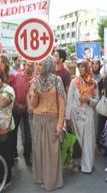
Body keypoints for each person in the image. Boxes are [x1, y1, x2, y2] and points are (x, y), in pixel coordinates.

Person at [29, 56, 65, 191]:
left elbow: (62, 104)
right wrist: (33, 94)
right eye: (36, 64)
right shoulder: (35, 81)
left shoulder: (57, 80)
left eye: (41, 64)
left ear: (48, 65)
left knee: (52, 152)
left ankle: (53, 181)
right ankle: (42, 178)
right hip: (38, 119)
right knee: (39, 150)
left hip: (52, 119)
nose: (37, 67)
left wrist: (60, 123)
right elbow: (33, 105)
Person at [66, 60, 99, 174]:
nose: (80, 69)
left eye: (83, 67)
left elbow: (97, 101)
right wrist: (67, 117)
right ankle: (76, 163)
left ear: (87, 68)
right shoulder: (74, 82)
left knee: (88, 141)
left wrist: (89, 100)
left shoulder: (93, 83)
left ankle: (87, 166)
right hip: (75, 116)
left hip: (88, 115)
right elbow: (69, 100)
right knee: (77, 141)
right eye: (79, 67)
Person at [11, 62, 34, 165]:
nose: (29, 67)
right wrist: (17, 104)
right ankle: (13, 152)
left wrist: (28, 105)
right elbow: (11, 91)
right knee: (13, 132)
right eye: (28, 65)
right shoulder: (17, 76)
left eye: (32, 65)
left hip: (28, 109)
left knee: (28, 134)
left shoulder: (35, 79)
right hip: (16, 108)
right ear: (25, 65)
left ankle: (27, 155)